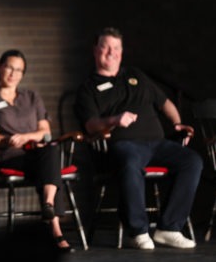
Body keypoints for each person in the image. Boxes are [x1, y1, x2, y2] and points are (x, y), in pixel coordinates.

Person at [75, 27, 203, 250]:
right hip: (123, 145)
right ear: (96, 51)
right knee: (130, 162)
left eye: (116, 48)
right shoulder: (88, 88)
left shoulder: (136, 75)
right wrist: (114, 120)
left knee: (192, 161)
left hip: (158, 144)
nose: (111, 52)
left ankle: (169, 228)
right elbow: (90, 125)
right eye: (105, 47)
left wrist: (176, 123)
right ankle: (137, 231)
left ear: (121, 53)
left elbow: (165, 103)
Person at [0, 49, 75, 254]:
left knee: (50, 150)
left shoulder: (32, 96)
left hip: (37, 154)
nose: (14, 73)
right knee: (50, 163)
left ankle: (48, 206)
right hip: (11, 157)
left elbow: (45, 131)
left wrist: (27, 137)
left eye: (19, 70)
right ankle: (56, 229)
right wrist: (10, 140)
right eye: (10, 67)